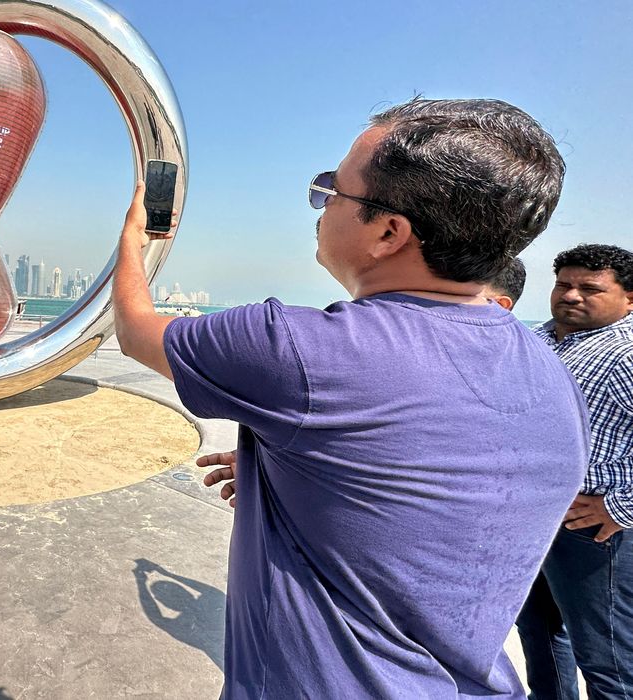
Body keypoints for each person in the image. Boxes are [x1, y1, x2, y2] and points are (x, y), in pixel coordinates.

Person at [112, 98, 589, 698]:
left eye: (332, 191)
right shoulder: (551, 373)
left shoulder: (292, 350)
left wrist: (132, 240)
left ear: (389, 231)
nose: (321, 206)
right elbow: (451, 496)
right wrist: (304, 475)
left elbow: (134, 329)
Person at [516, 243, 633, 700]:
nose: (571, 295)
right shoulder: (539, 339)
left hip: (593, 530)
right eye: (564, 284)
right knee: (541, 640)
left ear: (629, 298)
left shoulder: (625, 354)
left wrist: (621, 506)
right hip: (533, 520)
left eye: (590, 288)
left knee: (608, 661)